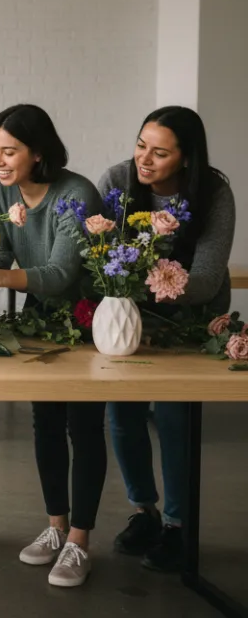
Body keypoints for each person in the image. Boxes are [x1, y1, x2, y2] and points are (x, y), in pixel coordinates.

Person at [0, 104, 105, 587]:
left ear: (38, 152)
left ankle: (80, 541)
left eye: (9, 151)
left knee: (84, 427)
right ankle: (56, 528)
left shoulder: (75, 194)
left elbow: (61, 274)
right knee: (46, 424)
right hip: (42, 326)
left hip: (86, 325)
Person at [102, 106, 235, 573]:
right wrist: (135, 287)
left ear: (186, 158)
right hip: (132, 318)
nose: (145, 159)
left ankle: (179, 526)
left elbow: (204, 280)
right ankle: (145, 513)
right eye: (141, 145)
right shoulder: (118, 181)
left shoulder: (214, 192)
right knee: (122, 417)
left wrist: (137, 275)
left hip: (192, 322)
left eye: (160, 153)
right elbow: (102, 260)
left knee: (176, 420)